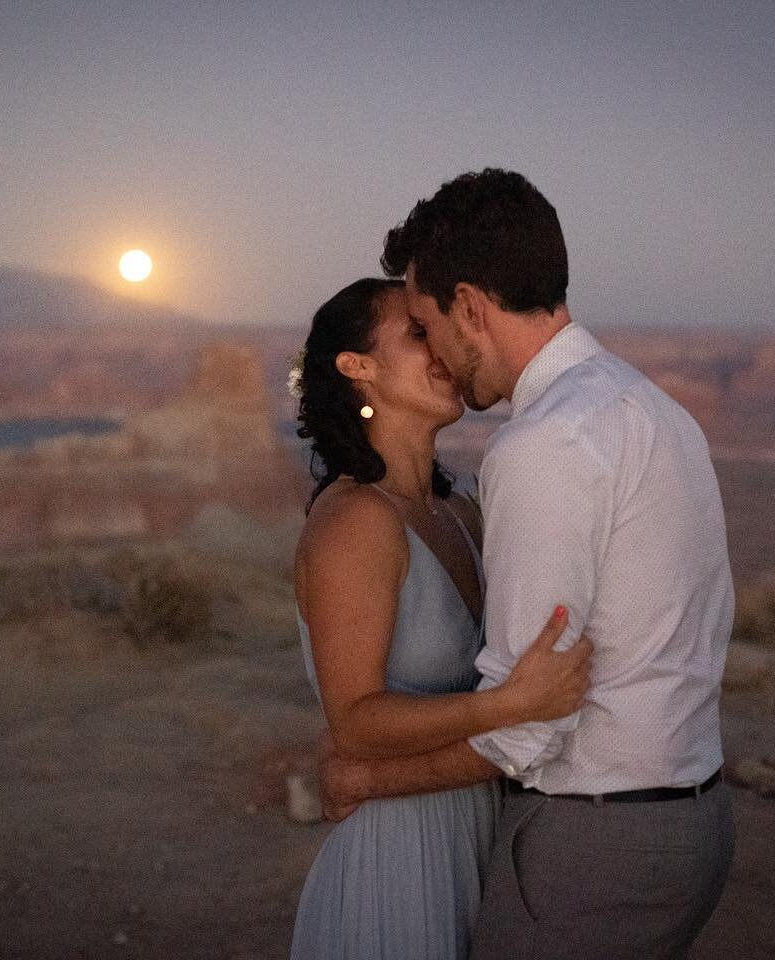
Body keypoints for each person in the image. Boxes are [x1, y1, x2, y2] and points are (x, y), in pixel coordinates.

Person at [320, 170, 736, 960]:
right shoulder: (647, 406)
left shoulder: (545, 443)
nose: (436, 350)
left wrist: (367, 783)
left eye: (427, 321)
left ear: (470, 308)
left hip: (596, 842)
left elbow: (529, 724)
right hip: (693, 818)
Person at [290, 276, 595, 960]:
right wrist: (508, 707)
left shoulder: (462, 512)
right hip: (398, 859)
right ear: (356, 366)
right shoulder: (353, 523)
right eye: (418, 333)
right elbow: (356, 723)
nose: (445, 349)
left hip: (486, 837)